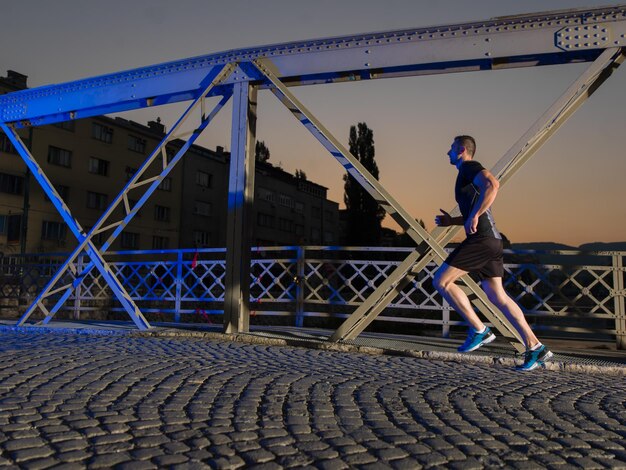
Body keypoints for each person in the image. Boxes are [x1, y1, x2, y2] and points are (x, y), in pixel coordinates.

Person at [432, 135, 552, 371]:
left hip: (482, 240)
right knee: (499, 297)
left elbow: (493, 184)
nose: (447, 152)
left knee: (441, 281)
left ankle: (479, 330)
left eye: (451, 148)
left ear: (462, 150)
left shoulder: (469, 167)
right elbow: (475, 209)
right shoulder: (465, 172)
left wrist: (475, 216)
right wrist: (453, 220)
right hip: (493, 241)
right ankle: (536, 346)